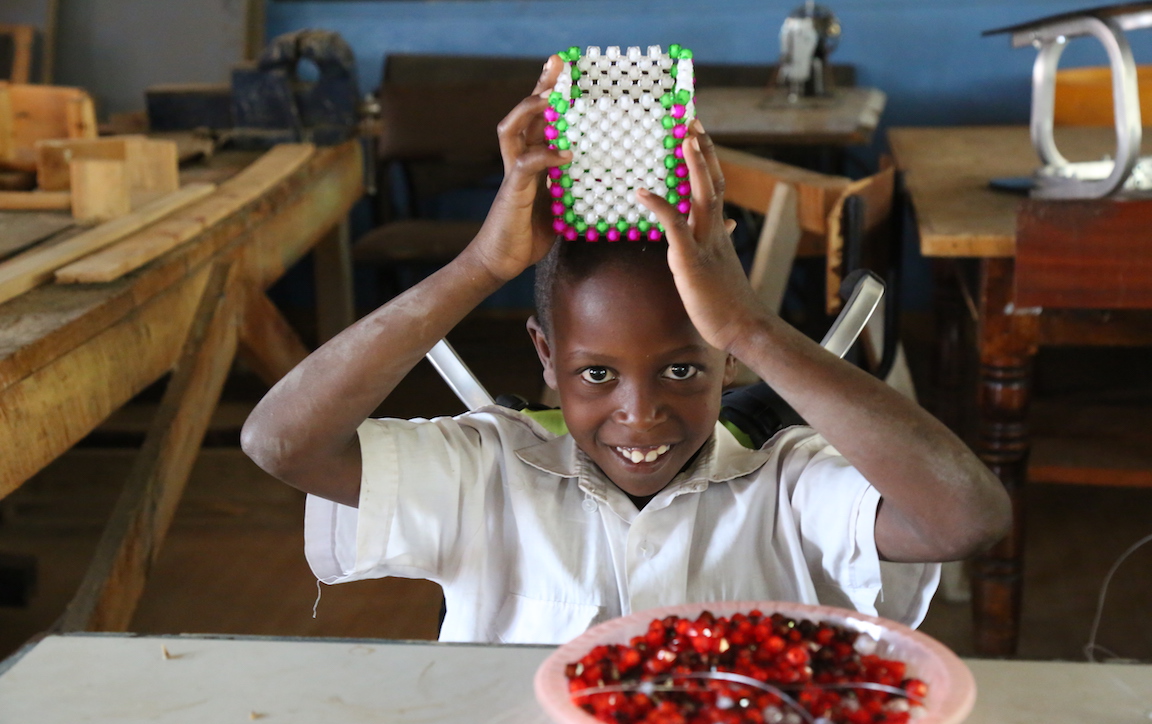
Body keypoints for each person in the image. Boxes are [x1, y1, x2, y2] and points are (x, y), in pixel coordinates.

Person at [241, 55, 1010, 644]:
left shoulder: (786, 487)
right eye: (596, 374)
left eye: (682, 367)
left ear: (727, 360)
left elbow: (965, 518)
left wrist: (751, 324)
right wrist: (479, 266)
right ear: (545, 355)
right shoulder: (489, 475)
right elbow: (279, 441)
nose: (640, 415)